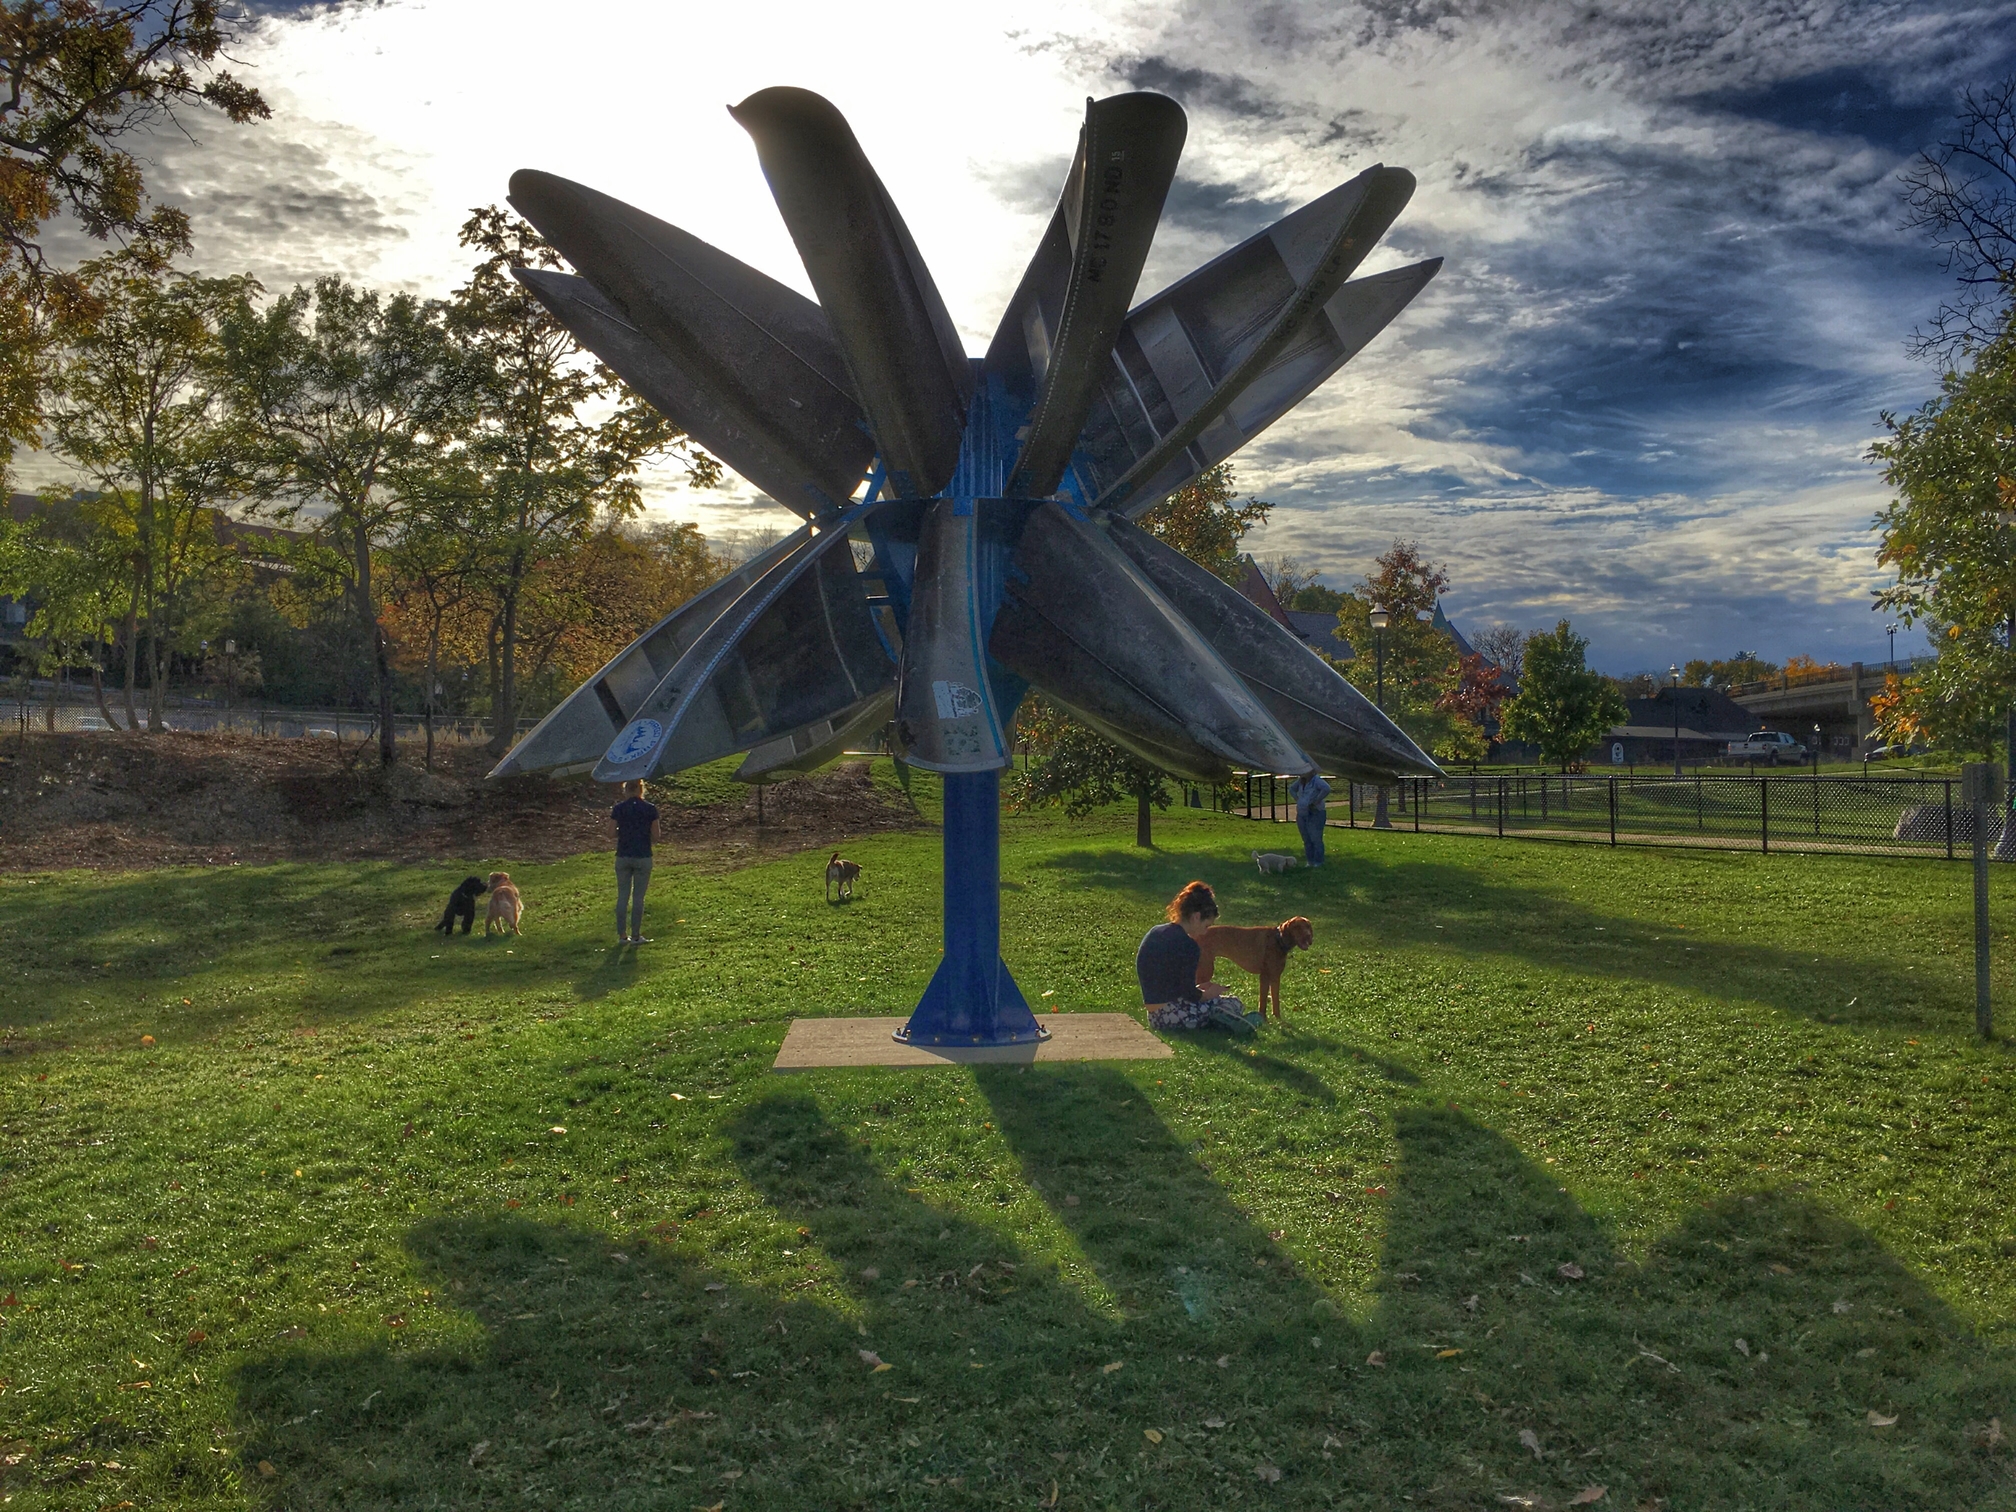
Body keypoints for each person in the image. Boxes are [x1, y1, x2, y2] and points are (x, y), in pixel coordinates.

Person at [1135, 880, 1255, 1034]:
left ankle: (1222, 1019)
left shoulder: (1155, 932)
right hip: (1176, 1016)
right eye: (1206, 926)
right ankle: (1224, 1021)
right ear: (1196, 917)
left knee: (1219, 1003)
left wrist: (1198, 989)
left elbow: (1174, 984)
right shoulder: (1189, 946)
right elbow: (1191, 996)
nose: (1205, 932)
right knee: (1234, 1002)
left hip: (1154, 1017)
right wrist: (1209, 993)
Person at [609, 779, 660, 945]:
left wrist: (623, 834)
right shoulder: (650, 809)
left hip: (623, 855)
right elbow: (656, 836)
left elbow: (610, 833)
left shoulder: (618, 809)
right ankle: (636, 935)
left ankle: (622, 935)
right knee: (638, 897)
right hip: (643, 855)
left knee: (622, 896)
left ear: (625, 790)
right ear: (641, 789)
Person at [1293, 770, 1332, 866]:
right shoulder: (1300, 781)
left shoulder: (1316, 780)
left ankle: (1318, 861)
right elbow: (1291, 789)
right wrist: (1297, 799)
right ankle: (1310, 861)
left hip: (1315, 812)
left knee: (1315, 838)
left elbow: (1326, 789)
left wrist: (1316, 800)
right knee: (1306, 839)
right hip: (1302, 813)